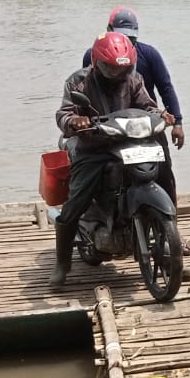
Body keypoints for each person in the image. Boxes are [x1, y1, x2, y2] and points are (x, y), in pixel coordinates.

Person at [49, 31, 173, 290]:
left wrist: (161, 115)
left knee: (163, 172)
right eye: (111, 69)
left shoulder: (134, 80)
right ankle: (62, 263)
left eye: (123, 69)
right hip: (94, 147)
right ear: (97, 63)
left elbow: (147, 106)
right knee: (78, 197)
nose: (118, 75)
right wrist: (75, 121)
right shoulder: (78, 83)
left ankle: (171, 243)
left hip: (128, 143)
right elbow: (64, 113)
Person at [82, 6, 190, 255]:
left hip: (147, 127)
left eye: (132, 38)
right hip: (112, 130)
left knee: (164, 175)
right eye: (122, 36)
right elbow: (86, 95)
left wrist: (177, 122)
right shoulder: (94, 55)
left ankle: (171, 229)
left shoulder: (148, 55)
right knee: (101, 176)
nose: (128, 42)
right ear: (109, 31)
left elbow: (165, 88)